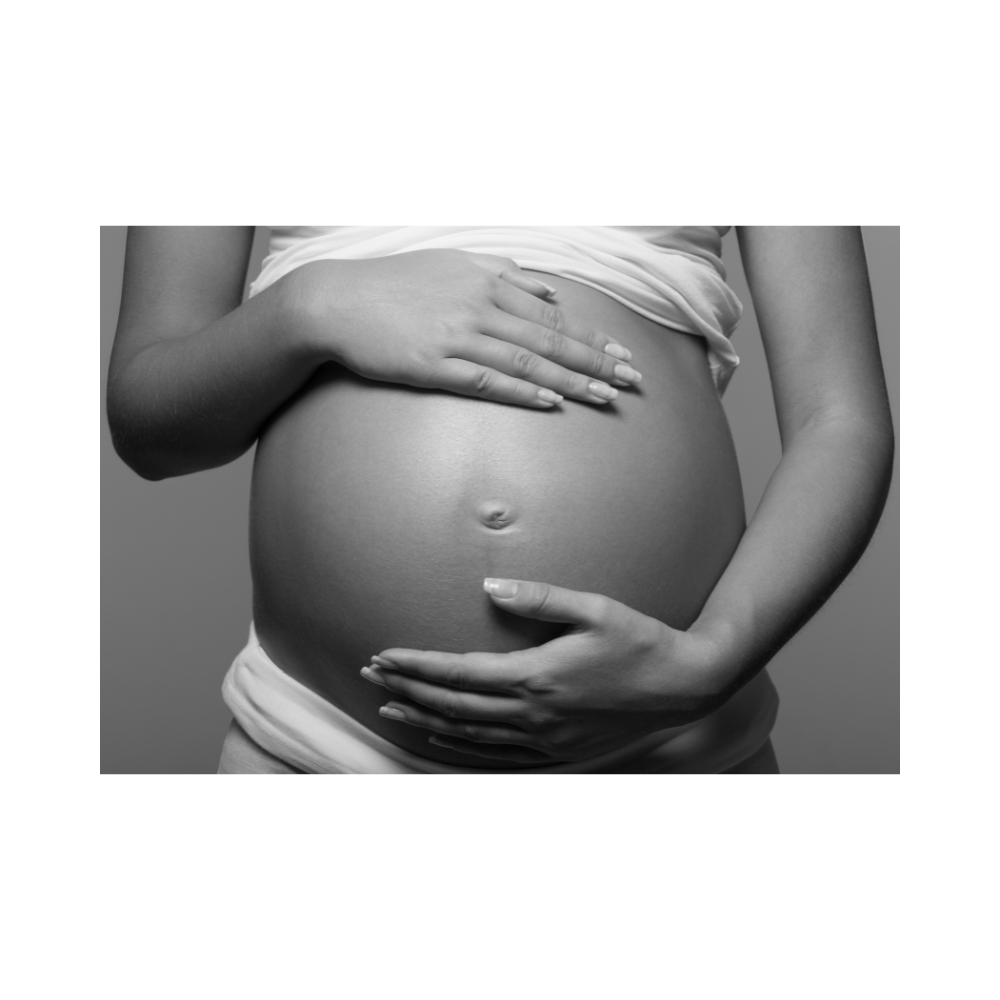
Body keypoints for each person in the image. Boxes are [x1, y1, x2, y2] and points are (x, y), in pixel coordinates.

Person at [107, 226, 894, 773]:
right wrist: (306, 307)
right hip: (316, 749)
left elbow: (841, 419)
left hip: (665, 750)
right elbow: (149, 425)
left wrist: (708, 662)